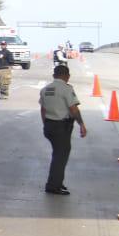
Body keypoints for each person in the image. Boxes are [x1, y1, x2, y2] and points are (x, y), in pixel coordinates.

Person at [38, 64, 86, 196]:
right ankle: (53, 186)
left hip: (49, 125)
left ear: (54, 76)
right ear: (67, 76)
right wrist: (81, 124)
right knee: (60, 157)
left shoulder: (45, 89)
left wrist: (46, 124)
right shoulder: (66, 89)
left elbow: (43, 110)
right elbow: (73, 109)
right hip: (61, 127)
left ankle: (57, 182)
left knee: (57, 155)